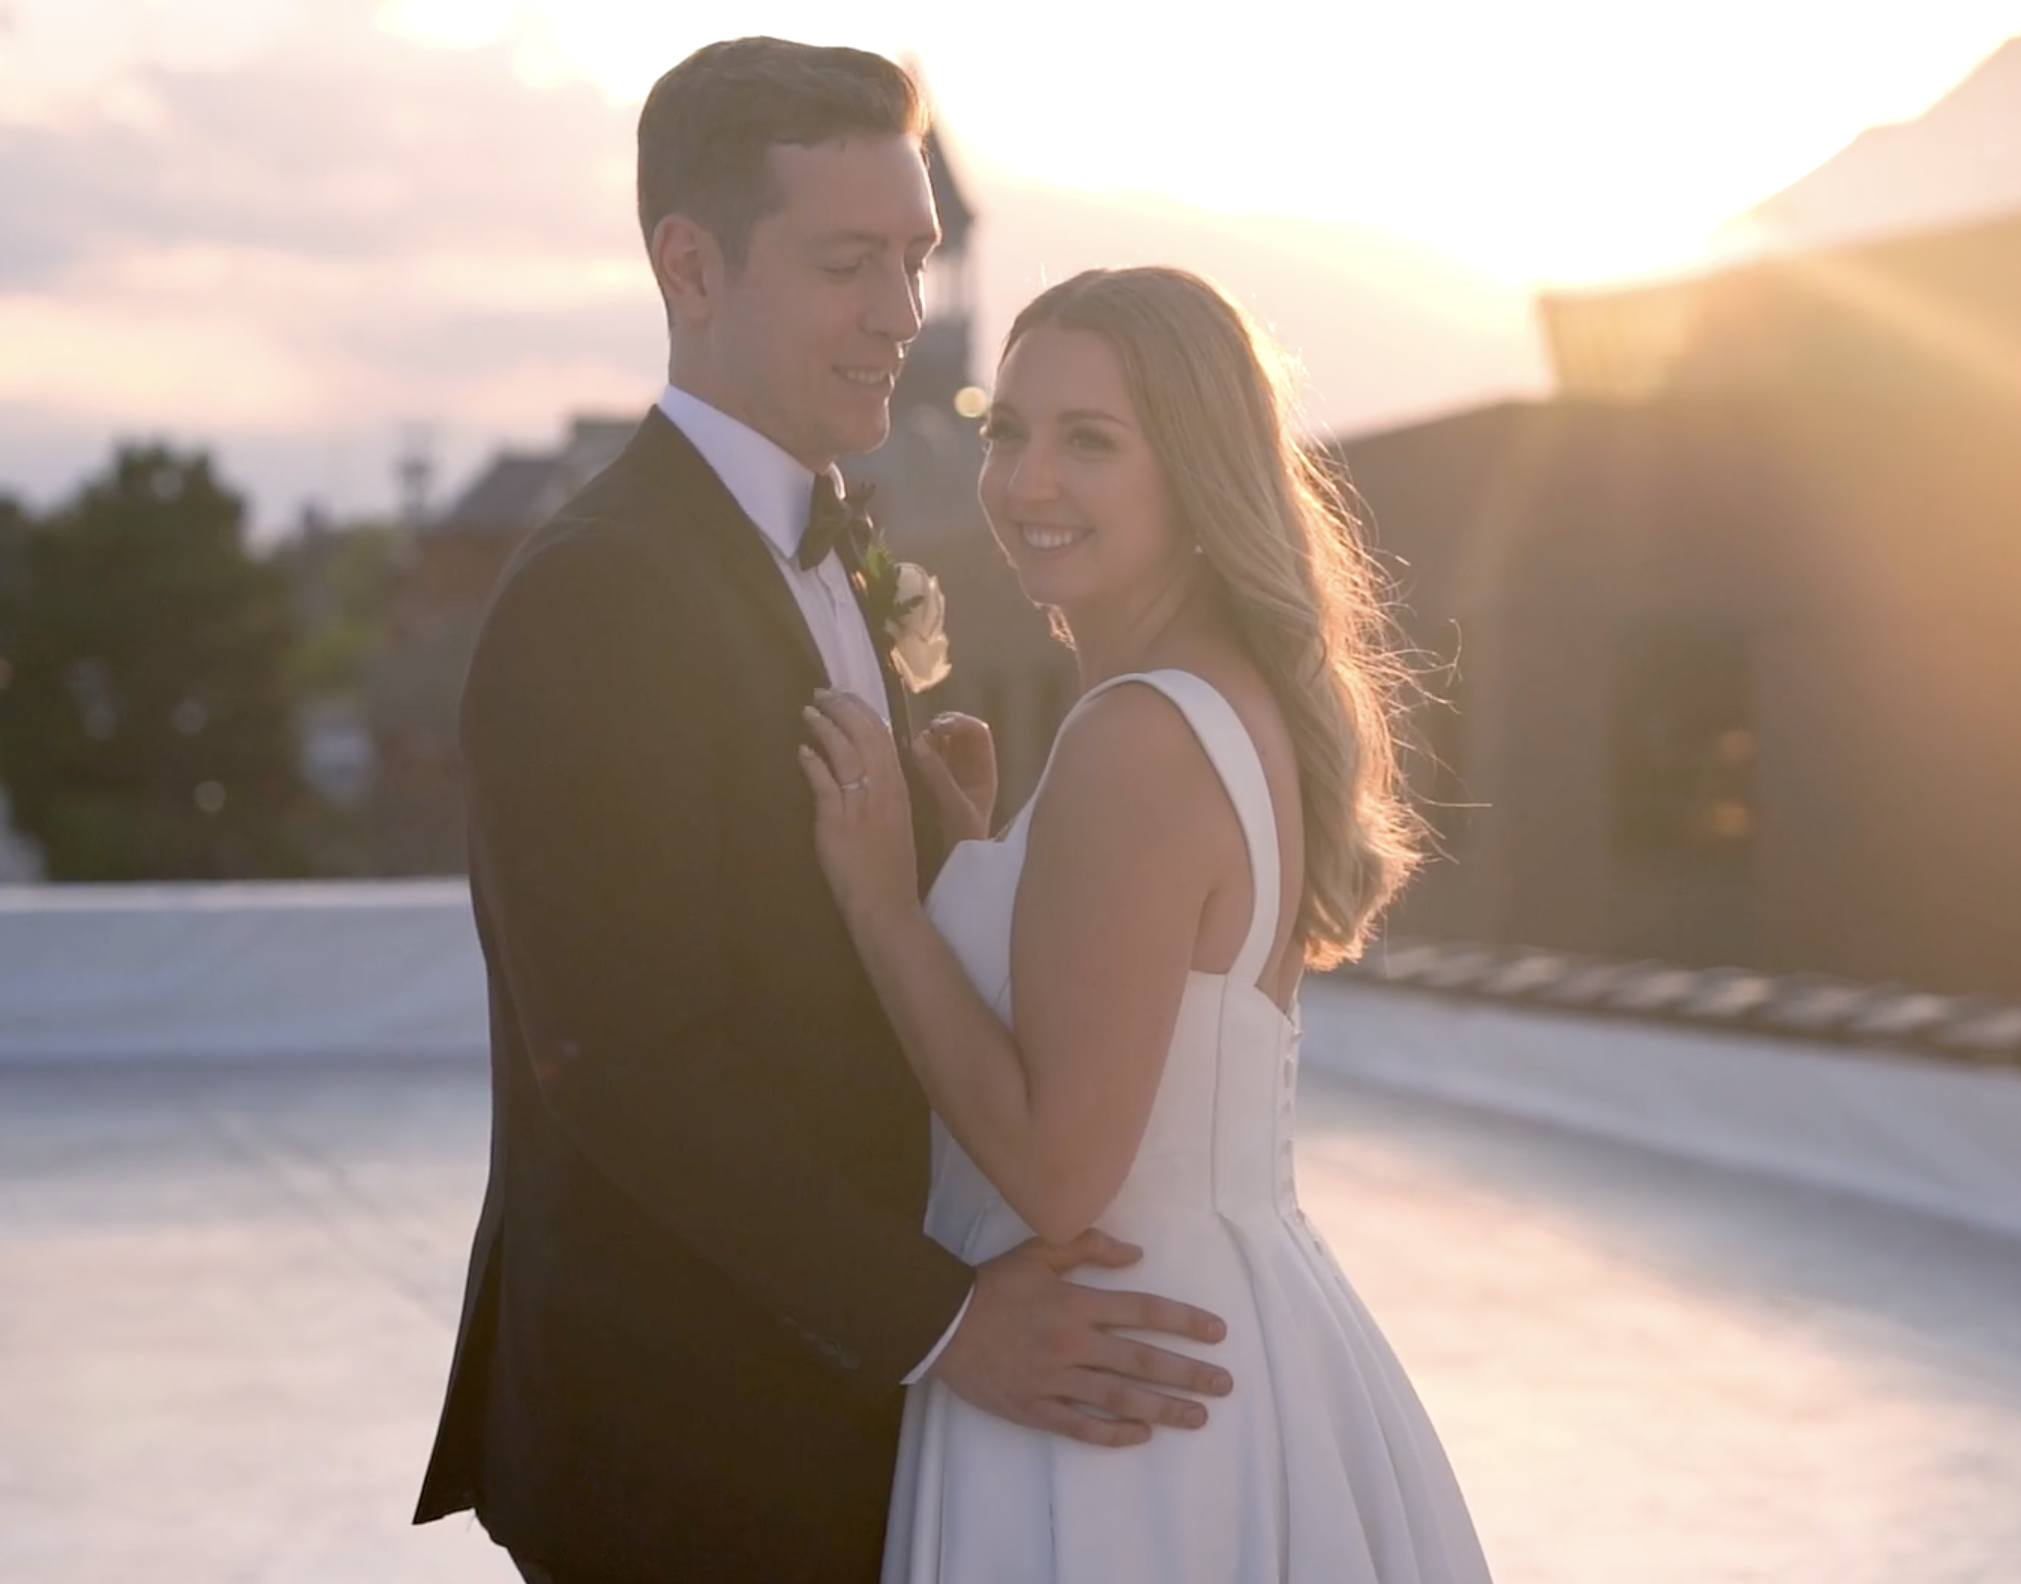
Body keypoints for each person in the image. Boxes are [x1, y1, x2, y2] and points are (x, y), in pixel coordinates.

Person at [412, 43, 1230, 1584]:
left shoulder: (840, 543)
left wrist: (942, 847)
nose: (900, 316)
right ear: (691, 266)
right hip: (684, 1428)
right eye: (847, 264)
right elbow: (626, 1063)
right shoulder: (597, 592)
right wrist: (948, 1324)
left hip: (848, 1408)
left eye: (913, 261)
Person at [799, 266, 1495, 1582]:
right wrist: (980, 857)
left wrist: (884, 900)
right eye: (1009, 430)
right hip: (1227, 1341)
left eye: (1090, 441)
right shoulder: (1219, 704)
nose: (1026, 481)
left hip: (1116, 1384)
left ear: (1193, 471)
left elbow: (1063, 1174)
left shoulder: (1135, 735)